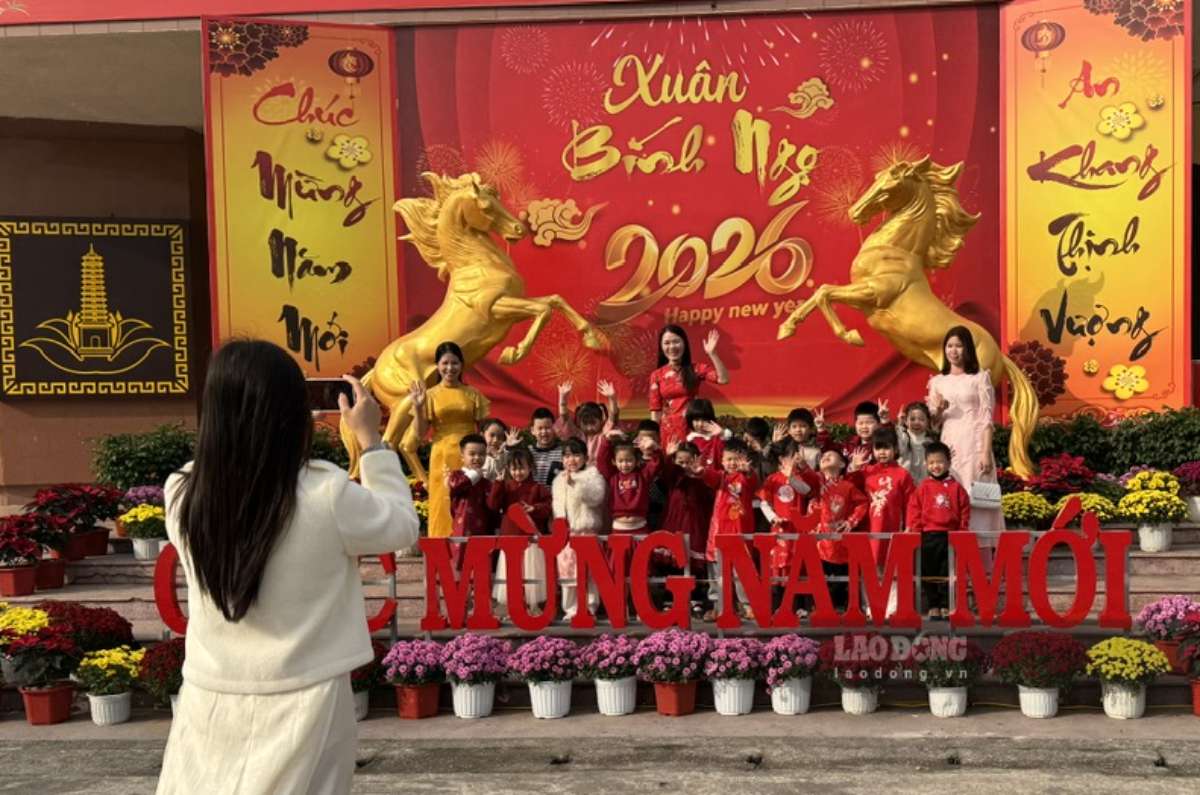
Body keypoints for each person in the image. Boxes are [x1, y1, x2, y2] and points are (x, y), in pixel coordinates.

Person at [158, 340, 418, 795]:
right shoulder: (325, 494)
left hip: (211, 693)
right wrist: (372, 444)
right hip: (309, 693)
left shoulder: (182, 492)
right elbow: (400, 526)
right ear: (291, 411)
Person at [926, 326, 1004, 535]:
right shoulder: (937, 382)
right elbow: (933, 424)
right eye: (949, 346)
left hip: (974, 442)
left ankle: (982, 553)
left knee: (977, 494)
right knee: (951, 492)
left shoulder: (979, 378)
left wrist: (985, 452)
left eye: (958, 346)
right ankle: (955, 550)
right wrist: (939, 410)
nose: (953, 351)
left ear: (967, 348)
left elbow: (987, 418)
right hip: (949, 442)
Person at [409, 341, 490, 542]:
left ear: (462, 365)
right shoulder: (430, 395)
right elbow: (419, 433)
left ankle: (471, 553)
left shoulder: (473, 394)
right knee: (442, 504)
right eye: (445, 363)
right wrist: (418, 408)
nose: (449, 368)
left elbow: (485, 430)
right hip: (442, 456)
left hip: (471, 457)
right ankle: (441, 557)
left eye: (454, 363)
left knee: (470, 504)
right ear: (437, 365)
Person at [905, 441, 970, 620]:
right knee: (928, 571)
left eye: (940, 462)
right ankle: (933, 604)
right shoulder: (923, 487)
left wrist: (962, 531)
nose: (936, 466)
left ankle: (945, 604)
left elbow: (965, 509)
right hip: (928, 535)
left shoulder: (957, 488)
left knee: (947, 572)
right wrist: (916, 530)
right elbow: (914, 509)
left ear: (948, 463)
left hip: (949, 536)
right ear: (926, 464)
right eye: (932, 462)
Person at [757, 438, 821, 615]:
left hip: (799, 529)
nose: (795, 459)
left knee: (800, 566)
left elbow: (807, 491)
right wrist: (773, 517)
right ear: (781, 459)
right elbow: (764, 502)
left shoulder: (802, 477)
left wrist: (792, 477)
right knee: (779, 566)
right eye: (791, 456)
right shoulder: (772, 479)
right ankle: (779, 607)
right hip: (780, 529)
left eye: (797, 455)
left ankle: (801, 607)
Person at [489, 447, 551, 613]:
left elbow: (548, 508)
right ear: (509, 469)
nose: (518, 472)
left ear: (530, 467)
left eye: (522, 467)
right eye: (514, 468)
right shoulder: (506, 487)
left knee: (532, 574)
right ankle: (514, 608)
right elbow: (493, 505)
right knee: (511, 576)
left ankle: (534, 605)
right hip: (510, 538)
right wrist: (498, 483)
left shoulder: (538, 488)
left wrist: (534, 508)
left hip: (531, 540)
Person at [703, 438, 759, 621]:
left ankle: (748, 605)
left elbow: (752, 481)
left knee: (742, 573)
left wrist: (748, 470)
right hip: (719, 533)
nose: (732, 463)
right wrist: (700, 470)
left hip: (740, 533)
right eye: (728, 459)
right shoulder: (721, 478)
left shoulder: (746, 478)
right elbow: (708, 476)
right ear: (722, 461)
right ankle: (721, 607)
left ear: (745, 459)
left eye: (737, 459)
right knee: (720, 574)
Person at [658, 440, 716, 615]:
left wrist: (699, 473)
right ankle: (671, 599)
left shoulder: (701, 477)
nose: (684, 465)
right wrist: (668, 456)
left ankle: (696, 599)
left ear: (696, 460)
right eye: (680, 461)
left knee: (695, 564)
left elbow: (709, 493)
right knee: (673, 563)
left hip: (696, 525)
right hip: (674, 523)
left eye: (688, 461)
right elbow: (667, 471)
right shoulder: (674, 477)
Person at [552, 437, 607, 621]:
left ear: (585, 457)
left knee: (589, 573)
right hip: (567, 535)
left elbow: (596, 498)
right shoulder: (558, 479)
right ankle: (571, 608)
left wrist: (576, 484)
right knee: (568, 572)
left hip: (586, 533)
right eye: (567, 456)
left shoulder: (593, 475)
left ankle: (590, 606)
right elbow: (557, 506)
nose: (571, 460)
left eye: (576, 455)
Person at [807, 446, 868, 611]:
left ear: (842, 465)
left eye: (831, 455)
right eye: (823, 456)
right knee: (820, 578)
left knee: (844, 578)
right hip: (818, 542)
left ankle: (846, 609)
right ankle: (820, 608)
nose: (826, 456)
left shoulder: (847, 486)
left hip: (841, 543)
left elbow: (862, 503)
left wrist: (851, 522)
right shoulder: (814, 482)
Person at [648, 325, 729, 449]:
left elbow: (723, 379)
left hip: (694, 429)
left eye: (676, 342)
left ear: (684, 343)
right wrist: (653, 440)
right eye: (667, 343)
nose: (672, 347)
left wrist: (713, 354)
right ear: (661, 347)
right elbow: (655, 411)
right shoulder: (656, 375)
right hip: (668, 433)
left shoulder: (695, 369)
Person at [446, 433, 494, 569]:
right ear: (462, 455)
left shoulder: (486, 482)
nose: (477, 458)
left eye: (481, 454)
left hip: (482, 530)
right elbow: (455, 486)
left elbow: (491, 507)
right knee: (459, 564)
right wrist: (474, 475)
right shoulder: (456, 476)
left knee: (480, 566)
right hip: (461, 528)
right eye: (472, 454)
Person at [556, 380, 620, 462]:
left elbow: (613, 417)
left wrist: (612, 398)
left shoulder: (603, 433)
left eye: (593, 423)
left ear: (601, 420)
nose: (589, 427)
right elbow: (564, 417)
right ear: (579, 422)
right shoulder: (577, 434)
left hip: (600, 473)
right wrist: (563, 399)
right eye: (585, 423)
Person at [521, 407, 565, 487]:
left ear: (554, 428)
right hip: (533, 498)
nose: (544, 432)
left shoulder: (563, 451)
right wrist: (510, 448)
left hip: (556, 497)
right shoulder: (527, 452)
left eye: (548, 428)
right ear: (532, 430)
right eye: (540, 428)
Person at [896, 401, 936, 484]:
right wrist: (899, 424)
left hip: (924, 481)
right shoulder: (904, 436)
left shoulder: (930, 440)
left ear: (928, 421)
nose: (916, 422)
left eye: (921, 419)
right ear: (906, 421)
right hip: (905, 481)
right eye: (912, 419)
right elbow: (899, 448)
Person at [479, 417, 511, 482]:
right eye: (492, 435)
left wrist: (499, 455)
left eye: (500, 436)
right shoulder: (477, 455)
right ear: (482, 435)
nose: (496, 440)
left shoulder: (507, 455)